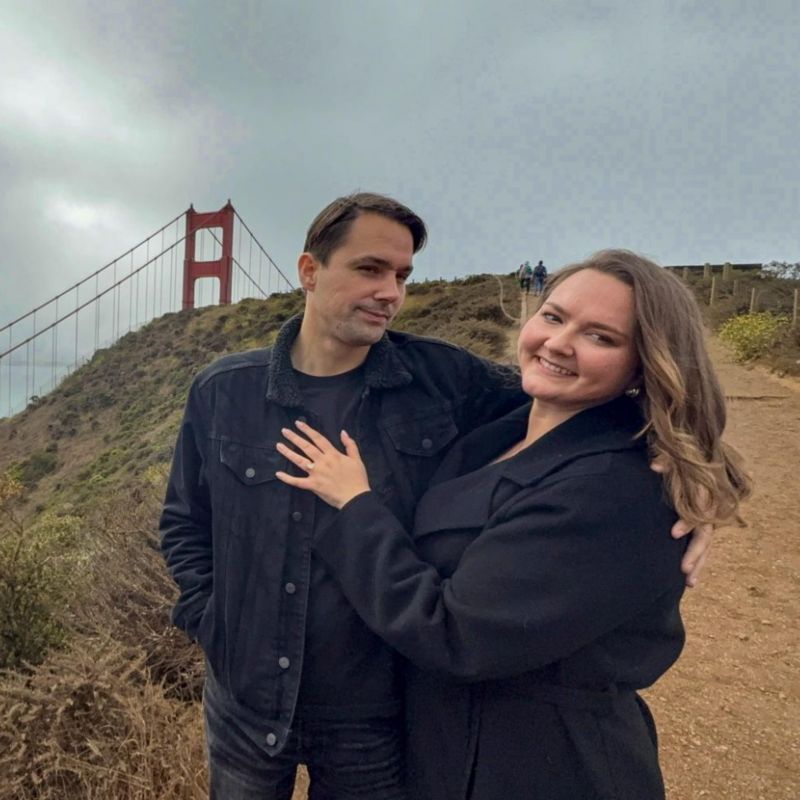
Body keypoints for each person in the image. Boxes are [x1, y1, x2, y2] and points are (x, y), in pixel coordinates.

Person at [275, 250, 749, 800]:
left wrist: (353, 505)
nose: (558, 343)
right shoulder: (511, 427)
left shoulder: (614, 490)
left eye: (600, 337)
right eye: (553, 316)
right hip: (449, 743)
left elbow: (455, 635)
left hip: (537, 763)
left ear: (644, 363)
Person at [160, 192, 531, 799]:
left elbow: (575, 403)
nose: (391, 292)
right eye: (370, 269)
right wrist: (211, 623)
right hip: (245, 704)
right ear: (310, 271)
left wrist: (676, 469)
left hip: (376, 712)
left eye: (402, 275)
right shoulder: (223, 391)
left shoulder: (443, 380)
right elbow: (183, 521)